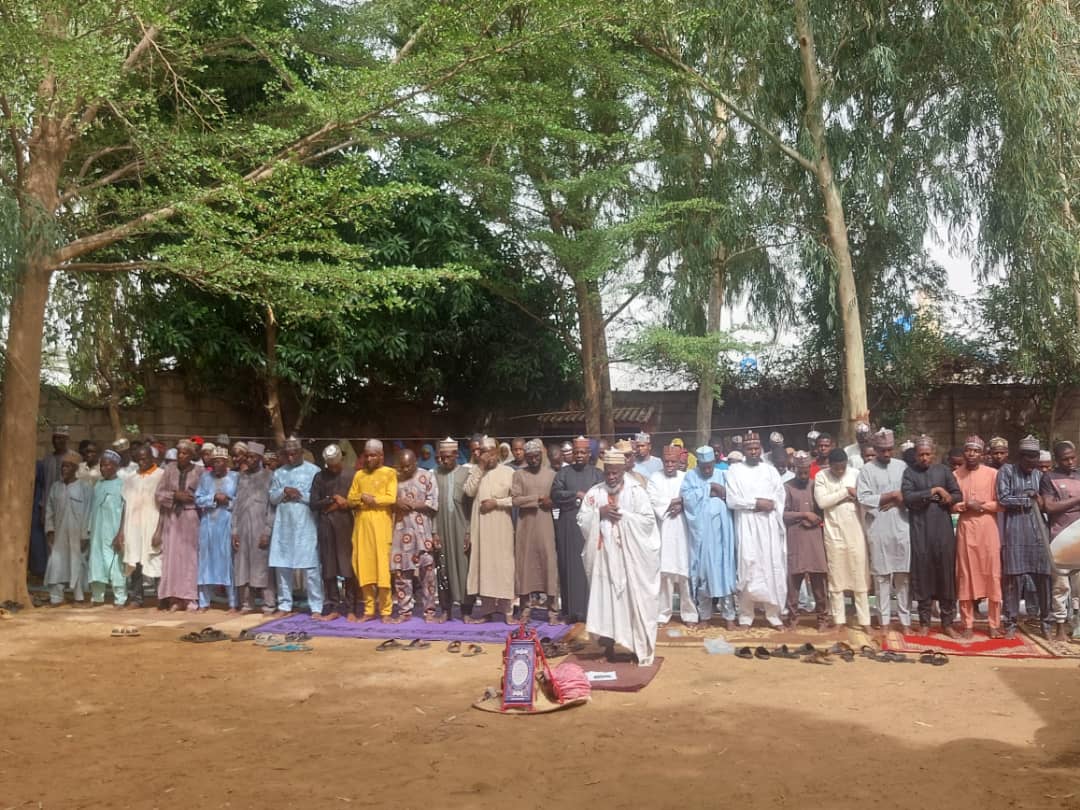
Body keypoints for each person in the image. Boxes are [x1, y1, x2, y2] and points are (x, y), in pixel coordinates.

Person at [577, 449, 662, 665]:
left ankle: (635, 649)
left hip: (629, 560)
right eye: (608, 472)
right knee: (605, 603)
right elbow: (582, 519)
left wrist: (622, 515)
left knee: (632, 603)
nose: (611, 477)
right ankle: (607, 649)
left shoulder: (636, 492)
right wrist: (599, 513)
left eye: (615, 473)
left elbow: (648, 522)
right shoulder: (595, 493)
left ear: (623, 470)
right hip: (603, 559)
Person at [725, 431, 788, 628]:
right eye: (749, 449)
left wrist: (772, 505)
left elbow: (779, 496)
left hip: (768, 525)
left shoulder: (770, 471)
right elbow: (732, 500)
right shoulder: (735, 471)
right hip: (747, 525)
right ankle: (746, 615)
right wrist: (755, 503)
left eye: (756, 448)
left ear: (760, 449)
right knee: (747, 566)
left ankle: (773, 614)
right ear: (743, 450)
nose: (753, 452)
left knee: (771, 566)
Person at [902, 436, 962, 637]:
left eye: (928, 454)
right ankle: (925, 622)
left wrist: (948, 497)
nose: (925, 458)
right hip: (921, 532)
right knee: (923, 576)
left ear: (933, 454)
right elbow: (908, 497)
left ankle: (947, 623)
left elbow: (957, 495)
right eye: (921, 455)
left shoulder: (943, 471)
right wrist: (933, 491)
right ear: (916, 455)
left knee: (946, 576)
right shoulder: (910, 473)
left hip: (943, 532)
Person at [856, 429, 913, 634]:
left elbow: (910, 493)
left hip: (902, 525)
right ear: (875, 449)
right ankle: (885, 621)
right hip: (878, 527)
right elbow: (863, 498)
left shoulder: (902, 466)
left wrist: (899, 499)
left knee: (903, 576)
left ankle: (905, 621)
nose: (886, 454)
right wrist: (889, 496)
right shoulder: (866, 470)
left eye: (889, 449)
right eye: (882, 450)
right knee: (881, 578)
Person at [997, 435, 1053, 638]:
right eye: (1028, 458)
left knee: (1044, 578)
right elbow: (1003, 498)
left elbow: (1047, 502)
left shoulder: (1041, 475)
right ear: (1020, 457)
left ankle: (1046, 623)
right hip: (1015, 531)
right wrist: (1029, 500)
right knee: (1013, 579)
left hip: (1039, 533)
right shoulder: (1007, 471)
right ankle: (1010, 623)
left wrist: (1039, 501)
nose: (1032, 463)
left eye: (1035, 458)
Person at [680, 445, 740, 628]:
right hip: (702, 534)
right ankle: (705, 617)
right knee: (703, 572)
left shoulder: (724, 474)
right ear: (698, 464)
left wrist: (718, 491)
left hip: (723, 533)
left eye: (710, 466)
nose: (707, 470)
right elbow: (686, 498)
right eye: (703, 467)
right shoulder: (691, 476)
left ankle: (729, 617)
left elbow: (731, 495)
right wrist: (709, 488)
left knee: (725, 572)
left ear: (714, 462)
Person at [815, 448, 871, 633]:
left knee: (859, 575)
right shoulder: (822, 476)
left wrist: (846, 496)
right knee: (836, 577)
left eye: (842, 467)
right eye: (836, 468)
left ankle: (865, 621)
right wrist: (846, 492)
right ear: (830, 465)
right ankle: (838, 620)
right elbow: (822, 502)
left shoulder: (855, 474)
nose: (840, 471)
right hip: (834, 533)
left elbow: (864, 498)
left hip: (856, 532)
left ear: (847, 463)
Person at [953, 435, 1003, 639]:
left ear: (982, 454)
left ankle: (994, 624)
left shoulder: (993, 474)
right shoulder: (955, 475)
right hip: (966, 529)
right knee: (965, 575)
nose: (971, 454)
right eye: (968, 450)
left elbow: (1001, 503)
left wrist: (981, 506)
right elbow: (950, 505)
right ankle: (967, 624)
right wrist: (965, 505)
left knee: (992, 574)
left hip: (988, 529)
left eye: (976, 451)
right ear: (964, 452)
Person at [463, 436, 516, 624]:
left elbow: (516, 499)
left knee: (505, 567)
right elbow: (469, 491)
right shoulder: (475, 472)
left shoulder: (509, 472)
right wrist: (480, 467)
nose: (488, 456)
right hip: (482, 528)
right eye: (484, 452)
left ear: (497, 452)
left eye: (491, 452)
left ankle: (508, 612)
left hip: (502, 527)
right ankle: (487, 611)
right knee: (484, 567)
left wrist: (497, 503)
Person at [268, 437, 323, 617]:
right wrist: (284, 491)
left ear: (301, 453)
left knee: (311, 566)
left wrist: (298, 495)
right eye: (288, 454)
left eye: (294, 454)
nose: (291, 458)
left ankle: (316, 606)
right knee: (282, 565)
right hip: (284, 525)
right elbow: (272, 498)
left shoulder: (314, 471)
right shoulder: (279, 473)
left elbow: (318, 499)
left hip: (306, 524)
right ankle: (285, 605)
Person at [551, 436, 603, 623]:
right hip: (569, 525)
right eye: (576, 452)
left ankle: (591, 612)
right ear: (572, 454)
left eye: (583, 452)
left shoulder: (597, 474)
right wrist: (576, 495)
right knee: (569, 567)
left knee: (590, 567)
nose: (579, 455)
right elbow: (555, 494)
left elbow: (603, 495)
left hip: (591, 527)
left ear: (589, 454)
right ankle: (570, 612)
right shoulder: (563, 473)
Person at [348, 439, 397, 622]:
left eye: (373, 456)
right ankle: (369, 610)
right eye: (367, 455)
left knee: (382, 570)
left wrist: (373, 500)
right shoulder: (359, 475)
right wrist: (362, 497)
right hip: (362, 527)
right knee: (364, 567)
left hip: (382, 526)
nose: (369, 459)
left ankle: (386, 611)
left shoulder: (389, 473)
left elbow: (391, 497)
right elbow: (351, 498)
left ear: (381, 456)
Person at [389, 449, 440, 622]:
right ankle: (405, 611)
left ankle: (429, 610)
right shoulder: (393, 478)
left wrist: (413, 505)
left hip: (422, 532)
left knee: (428, 573)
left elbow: (433, 502)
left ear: (415, 463)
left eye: (408, 466)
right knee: (401, 574)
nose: (405, 470)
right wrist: (396, 502)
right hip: (400, 531)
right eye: (402, 466)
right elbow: (385, 499)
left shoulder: (427, 476)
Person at [511, 439, 559, 622]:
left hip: (546, 526)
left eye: (536, 456)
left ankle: (553, 611)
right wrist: (537, 499)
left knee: (549, 566)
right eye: (530, 457)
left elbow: (556, 499)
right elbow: (515, 500)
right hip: (526, 528)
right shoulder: (519, 475)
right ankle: (525, 609)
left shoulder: (551, 474)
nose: (533, 460)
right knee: (525, 568)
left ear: (541, 455)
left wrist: (551, 502)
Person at [783, 452, 829, 630]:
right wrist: (803, 515)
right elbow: (783, 514)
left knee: (818, 580)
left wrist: (815, 518)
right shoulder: (787, 487)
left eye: (805, 471)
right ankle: (793, 618)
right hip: (796, 537)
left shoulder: (816, 485)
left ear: (810, 468)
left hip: (815, 537)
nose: (803, 475)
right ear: (794, 469)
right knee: (794, 580)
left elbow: (825, 509)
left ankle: (822, 618)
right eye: (799, 472)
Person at [310, 444, 357, 620]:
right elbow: (313, 503)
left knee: (348, 567)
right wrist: (331, 499)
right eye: (331, 466)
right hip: (326, 525)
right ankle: (334, 607)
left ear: (341, 461)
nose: (333, 469)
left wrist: (345, 503)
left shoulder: (351, 475)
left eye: (336, 465)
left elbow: (357, 500)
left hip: (346, 525)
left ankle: (351, 608)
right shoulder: (320, 477)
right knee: (329, 567)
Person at [650, 445, 695, 626]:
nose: (669, 465)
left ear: (679, 462)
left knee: (685, 575)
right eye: (666, 461)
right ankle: (663, 614)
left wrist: (683, 505)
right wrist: (675, 502)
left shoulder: (686, 478)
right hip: (664, 530)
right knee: (665, 574)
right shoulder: (655, 477)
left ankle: (690, 615)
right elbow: (652, 500)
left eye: (673, 462)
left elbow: (693, 498)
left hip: (683, 530)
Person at [1040, 441, 1080, 641]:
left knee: (1079, 586)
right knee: (1061, 585)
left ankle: (1077, 625)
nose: (1070, 462)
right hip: (1060, 537)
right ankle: (1060, 626)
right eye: (1065, 459)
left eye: (1073, 457)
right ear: (1057, 460)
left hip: (1079, 537)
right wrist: (1077, 500)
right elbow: (1050, 507)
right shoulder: (1049, 478)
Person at [155, 439, 201, 611]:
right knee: (172, 557)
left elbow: (205, 494)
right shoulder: (169, 469)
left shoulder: (199, 471)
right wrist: (175, 496)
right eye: (179, 452)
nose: (181, 456)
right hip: (172, 517)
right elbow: (159, 494)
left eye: (185, 453)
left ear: (191, 455)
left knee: (190, 558)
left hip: (190, 516)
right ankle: (174, 597)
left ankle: (189, 597)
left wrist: (190, 498)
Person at [43, 450, 92, 606]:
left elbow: (89, 512)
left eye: (68, 466)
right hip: (59, 535)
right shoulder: (55, 487)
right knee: (56, 563)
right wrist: (50, 529)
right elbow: (49, 509)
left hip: (77, 535)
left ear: (75, 468)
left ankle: (78, 597)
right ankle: (56, 597)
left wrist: (85, 535)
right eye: (62, 466)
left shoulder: (85, 487)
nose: (64, 469)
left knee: (77, 563)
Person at [233, 441, 275, 615]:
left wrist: (267, 531)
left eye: (252, 457)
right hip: (242, 527)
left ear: (259, 458)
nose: (248, 460)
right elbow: (236, 505)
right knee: (242, 565)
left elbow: (272, 507)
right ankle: (247, 603)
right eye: (247, 457)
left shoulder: (269, 476)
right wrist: (234, 531)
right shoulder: (241, 477)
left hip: (260, 526)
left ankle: (269, 603)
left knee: (262, 565)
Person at [195, 446, 238, 612]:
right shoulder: (205, 477)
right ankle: (204, 602)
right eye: (214, 462)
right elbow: (198, 499)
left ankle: (233, 603)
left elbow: (240, 501)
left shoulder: (235, 477)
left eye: (219, 461)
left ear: (226, 462)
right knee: (205, 562)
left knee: (227, 562)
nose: (216, 465)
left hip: (227, 523)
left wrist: (227, 501)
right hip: (208, 525)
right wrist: (213, 497)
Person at [121, 445, 164, 608]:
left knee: (156, 560)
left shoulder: (161, 475)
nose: (141, 462)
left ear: (152, 458)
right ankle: (136, 598)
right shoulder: (131, 478)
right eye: (138, 459)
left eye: (144, 459)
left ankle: (162, 597)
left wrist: (159, 530)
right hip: (134, 526)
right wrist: (121, 531)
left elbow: (164, 506)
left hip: (153, 524)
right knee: (135, 560)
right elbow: (125, 504)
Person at [433, 437, 471, 615]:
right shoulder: (434, 474)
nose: (445, 460)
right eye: (442, 457)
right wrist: (434, 531)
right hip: (441, 527)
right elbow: (433, 506)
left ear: (456, 455)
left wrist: (469, 531)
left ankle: (466, 610)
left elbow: (471, 506)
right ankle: (445, 609)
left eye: (448, 457)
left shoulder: (466, 473)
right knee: (443, 567)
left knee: (464, 567)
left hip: (461, 527)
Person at [87, 450, 127, 607]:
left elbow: (125, 510)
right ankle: (97, 597)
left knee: (116, 564)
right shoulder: (98, 485)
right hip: (97, 533)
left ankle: (120, 598)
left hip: (114, 532)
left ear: (116, 467)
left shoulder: (122, 485)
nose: (103, 468)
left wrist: (121, 533)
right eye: (101, 465)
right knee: (96, 563)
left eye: (107, 465)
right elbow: (93, 509)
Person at [33, 426, 71, 576]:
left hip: (68, 508)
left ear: (67, 439)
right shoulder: (47, 460)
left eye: (61, 438)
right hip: (49, 508)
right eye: (55, 438)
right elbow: (43, 486)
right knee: (49, 541)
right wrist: (43, 508)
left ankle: (66, 576)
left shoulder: (74, 458)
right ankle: (51, 576)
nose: (58, 441)